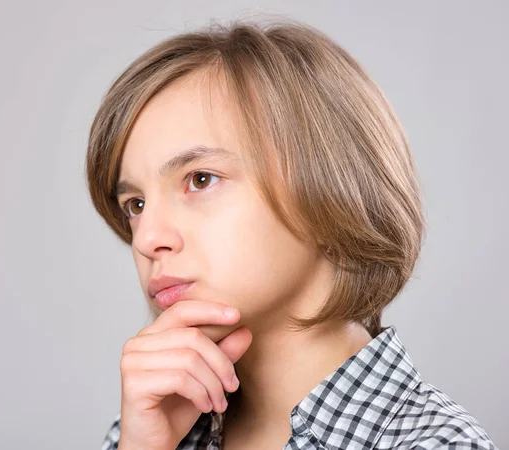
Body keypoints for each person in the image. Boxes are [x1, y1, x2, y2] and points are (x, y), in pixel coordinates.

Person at [86, 18, 498, 450]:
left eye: (201, 179)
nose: (147, 238)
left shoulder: (435, 444)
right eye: (135, 205)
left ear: (332, 186)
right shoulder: (148, 429)